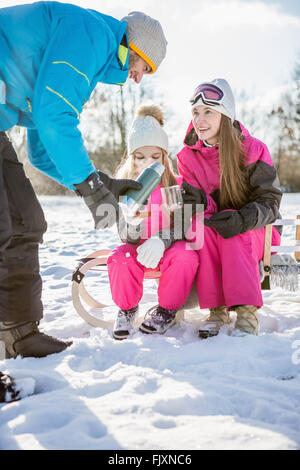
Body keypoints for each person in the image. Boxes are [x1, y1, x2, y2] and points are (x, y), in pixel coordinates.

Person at [0, 2, 168, 358]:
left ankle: (17, 335)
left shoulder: (92, 55)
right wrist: (90, 187)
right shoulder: (92, 36)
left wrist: (101, 182)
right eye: (144, 67)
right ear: (133, 47)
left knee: (24, 222)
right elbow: (54, 115)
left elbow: (43, 150)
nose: (138, 77)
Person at [177, 78, 282, 337]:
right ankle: (216, 309)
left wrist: (244, 218)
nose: (200, 119)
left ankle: (246, 312)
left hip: (258, 229)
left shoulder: (253, 149)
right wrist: (193, 203)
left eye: (209, 112)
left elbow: (270, 201)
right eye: (196, 112)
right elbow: (192, 206)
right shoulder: (187, 157)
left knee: (235, 232)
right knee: (202, 228)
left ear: (225, 114)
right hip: (216, 226)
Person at [107, 104, 199, 339]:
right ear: (131, 158)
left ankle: (166, 310)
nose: (148, 162)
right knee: (120, 258)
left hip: (167, 249)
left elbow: (181, 225)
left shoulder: (171, 184)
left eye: (155, 156)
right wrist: (132, 221)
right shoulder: (125, 185)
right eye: (140, 157)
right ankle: (127, 309)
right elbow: (124, 236)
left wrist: (161, 239)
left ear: (164, 157)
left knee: (185, 255)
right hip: (138, 250)